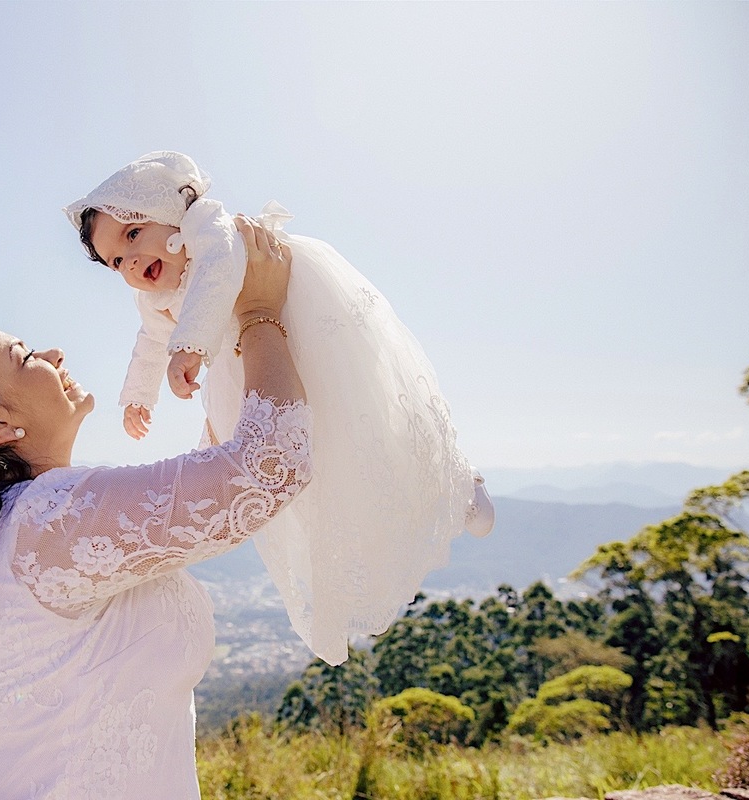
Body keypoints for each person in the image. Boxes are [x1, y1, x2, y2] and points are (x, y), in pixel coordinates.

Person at [0, 220, 309, 798]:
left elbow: (208, 486)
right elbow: (268, 467)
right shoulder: (46, 523)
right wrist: (259, 311)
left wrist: (223, 346)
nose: (54, 353)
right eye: (25, 356)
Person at [63, 151, 494, 667]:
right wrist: (138, 396)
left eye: (133, 234)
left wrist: (190, 344)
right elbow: (149, 342)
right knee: (318, 457)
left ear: (168, 209)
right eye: (116, 262)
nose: (130, 263)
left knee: (368, 411)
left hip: (301, 321)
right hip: (249, 352)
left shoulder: (209, 229)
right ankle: (374, 522)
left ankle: (455, 481)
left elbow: (219, 275)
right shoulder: (155, 298)